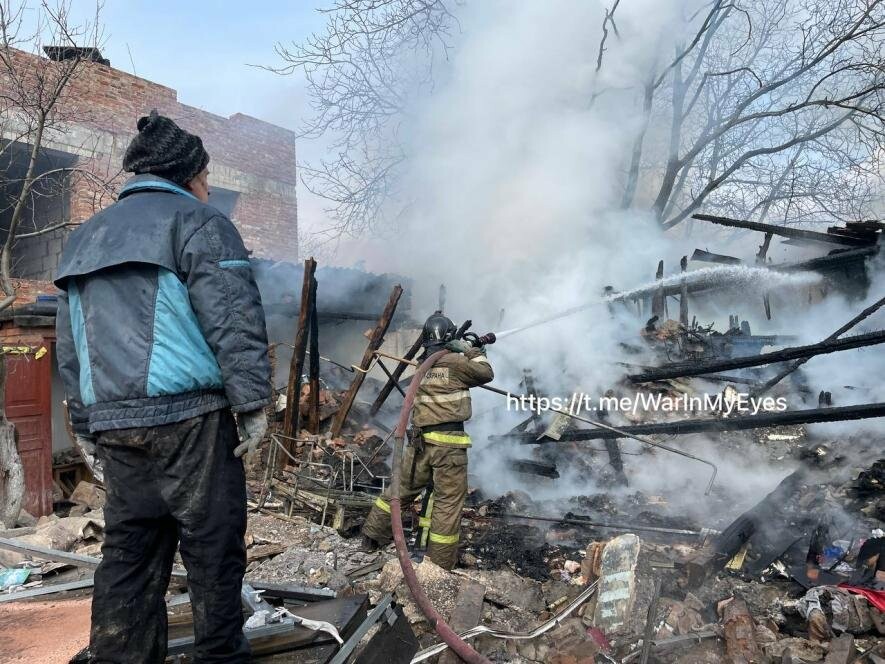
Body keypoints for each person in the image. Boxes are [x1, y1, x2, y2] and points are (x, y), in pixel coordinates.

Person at [55, 110, 271, 663]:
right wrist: (252, 404)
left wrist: (84, 422)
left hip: (115, 424)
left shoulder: (85, 236)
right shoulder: (199, 222)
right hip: (190, 421)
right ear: (190, 174)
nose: (208, 188)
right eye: (207, 177)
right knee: (213, 548)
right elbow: (233, 319)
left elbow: (71, 343)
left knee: (129, 552)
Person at [361, 311, 494, 569]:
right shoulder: (454, 362)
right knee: (447, 503)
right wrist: (472, 350)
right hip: (448, 447)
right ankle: (440, 565)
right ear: (448, 338)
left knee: (400, 490)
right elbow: (485, 372)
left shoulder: (423, 364)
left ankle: (371, 536)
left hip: (420, 443)